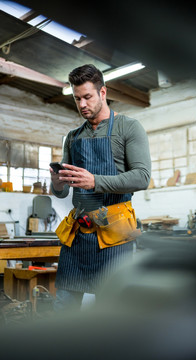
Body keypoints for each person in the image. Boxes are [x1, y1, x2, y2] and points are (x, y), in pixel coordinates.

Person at [50, 64, 151, 312]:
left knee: (111, 310)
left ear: (103, 93)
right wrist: (56, 183)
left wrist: (95, 181)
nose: (82, 104)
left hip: (114, 233)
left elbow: (142, 177)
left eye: (87, 97)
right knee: (64, 307)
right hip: (78, 232)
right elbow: (63, 192)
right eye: (77, 99)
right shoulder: (73, 137)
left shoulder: (128, 127)